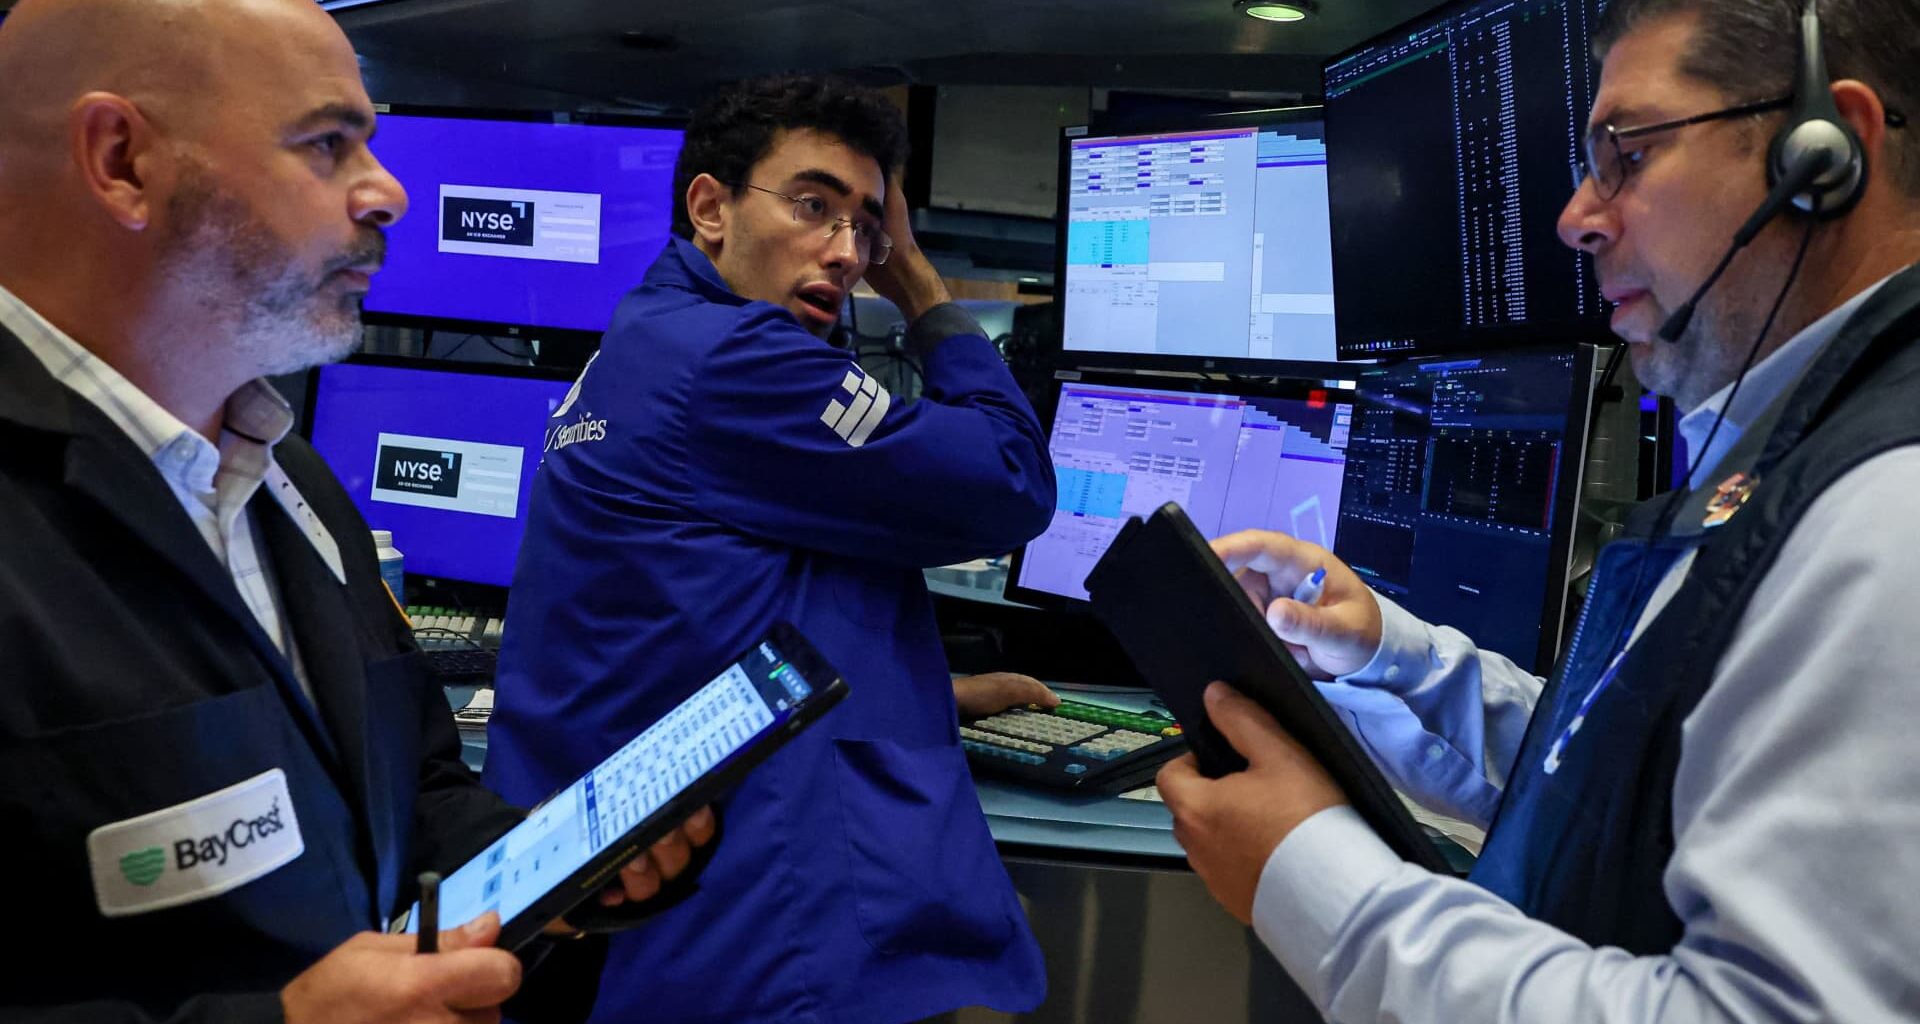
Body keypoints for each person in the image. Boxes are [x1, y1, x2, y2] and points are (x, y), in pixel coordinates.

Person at [1157, 0, 1920, 1020]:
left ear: (1828, 155)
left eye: (1628, 154)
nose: (1575, 216)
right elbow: (1622, 782)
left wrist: (1314, 879)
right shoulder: (1789, 454)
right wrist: (1393, 656)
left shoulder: (1889, 510)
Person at [0, 1, 712, 1019]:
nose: (389, 191)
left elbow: (408, 792)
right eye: (327, 144)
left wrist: (551, 864)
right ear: (122, 160)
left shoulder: (289, 477)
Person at [484, 75, 1055, 1023]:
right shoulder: (737, 359)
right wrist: (917, 280)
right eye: (812, 206)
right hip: (742, 936)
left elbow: (687, 614)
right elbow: (1010, 478)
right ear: (710, 208)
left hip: (618, 911)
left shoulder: (645, 337)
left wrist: (925, 688)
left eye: (868, 227)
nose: (847, 252)